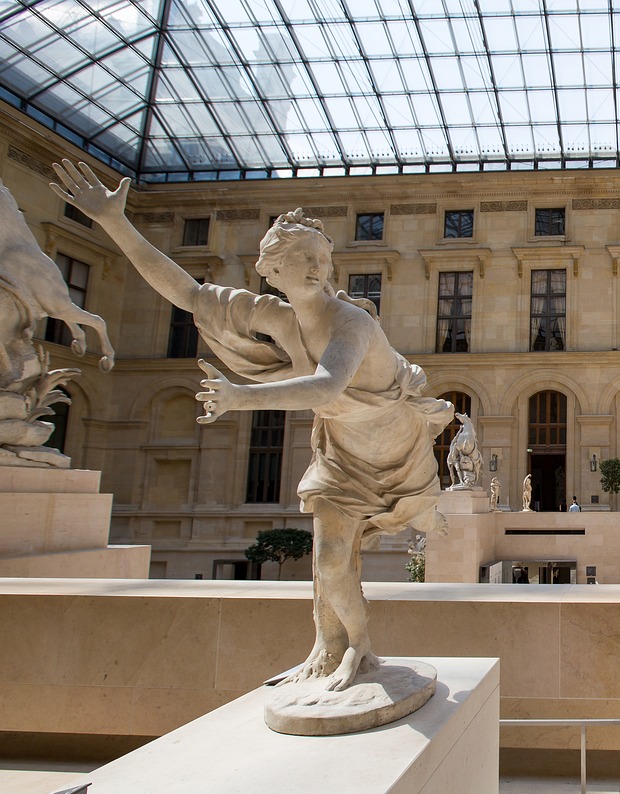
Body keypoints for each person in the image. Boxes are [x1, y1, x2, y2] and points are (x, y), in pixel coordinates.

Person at [51, 160, 455, 692]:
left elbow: (328, 387)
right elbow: (187, 293)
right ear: (272, 269)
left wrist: (242, 396)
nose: (315, 268)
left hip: (395, 447)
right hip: (340, 452)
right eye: (300, 259)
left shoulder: (352, 321)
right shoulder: (277, 318)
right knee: (331, 562)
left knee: (393, 531)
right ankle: (344, 646)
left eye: (321, 258)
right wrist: (115, 223)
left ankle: (412, 535)